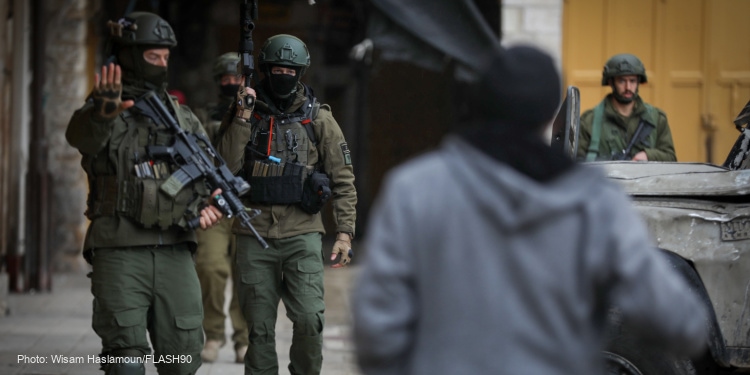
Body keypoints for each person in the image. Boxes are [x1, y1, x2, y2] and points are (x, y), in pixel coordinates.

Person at [351, 45, 708, 374]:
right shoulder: (596, 203)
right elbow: (684, 324)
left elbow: (376, 328)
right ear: (550, 111)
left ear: (478, 101)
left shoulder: (414, 190)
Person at [66, 12, 224, 374]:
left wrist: (206, 205)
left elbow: (207, 176)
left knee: (183, 358)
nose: (161, 66)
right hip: (120, 250)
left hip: (175, 251)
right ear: (129, 56)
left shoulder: (184, 119)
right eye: (153, 58)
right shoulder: (104, 109)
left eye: (166, 58)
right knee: (125, 361)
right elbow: (81, 139)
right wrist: (102, 114)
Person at [217, 34, 357, 374]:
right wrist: (241, 117)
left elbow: (343, 179)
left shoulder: (319, 119)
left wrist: (344, 233)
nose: (283, 75)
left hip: (302, 233)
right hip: (255, 231)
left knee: (310, 321)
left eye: (290, 70)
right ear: (265, 71)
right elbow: (224, 168)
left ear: (301, 73)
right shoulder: (244, 113)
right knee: (259, 330)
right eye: (277, 69)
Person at [193, 52, 249, 364]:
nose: (231, 83)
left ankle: (243, 339)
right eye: (225, 79)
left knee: (245, 273)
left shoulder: (259, 113)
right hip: (213, 203)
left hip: (246, 206)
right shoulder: (201, 116)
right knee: (211, 268)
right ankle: (213, 334)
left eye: (236, 78)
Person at [577, 53, 677, 161]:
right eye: (622, 81)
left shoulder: (656, 118)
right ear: (611, 82)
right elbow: (575, 163)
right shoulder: (590, 121)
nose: (628, 87)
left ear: (638, 82)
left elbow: (670, 158)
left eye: (632, 81)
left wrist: (648, 155)